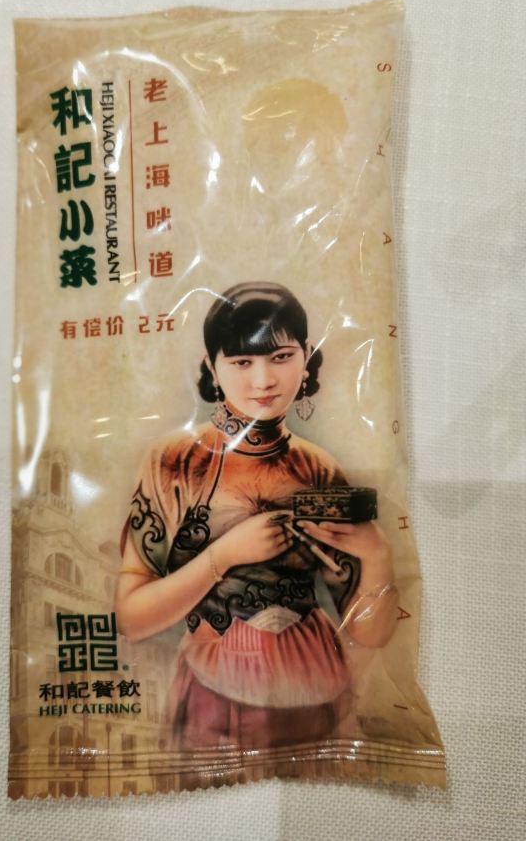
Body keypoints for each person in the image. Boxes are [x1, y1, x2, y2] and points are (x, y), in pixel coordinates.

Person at [116, 282, 398, 753]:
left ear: (306, 358)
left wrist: (377, 555)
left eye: (281, 357)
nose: (263, 380)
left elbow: (370, 632)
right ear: (212, 367)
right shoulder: (176, 461)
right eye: (242, 362)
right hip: (214, 691)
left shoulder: (319, 469)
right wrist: (223, 556)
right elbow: (131, 618)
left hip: (320, 688)